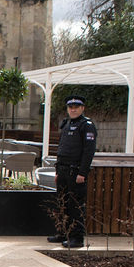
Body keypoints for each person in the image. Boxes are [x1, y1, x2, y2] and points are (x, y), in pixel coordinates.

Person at [48, 95, 97, 249]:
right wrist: (57, 171)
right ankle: (63, 232)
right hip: (63, 171)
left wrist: (82, 173)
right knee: (62, 204)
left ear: (82, 108)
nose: (73, 109)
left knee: (75, 206)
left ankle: (77, 238)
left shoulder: (86, 125)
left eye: (76, 107)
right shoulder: (67, 124)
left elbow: (89, 151)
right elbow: (61, 149)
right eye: (70, 107)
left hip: (76, 173)